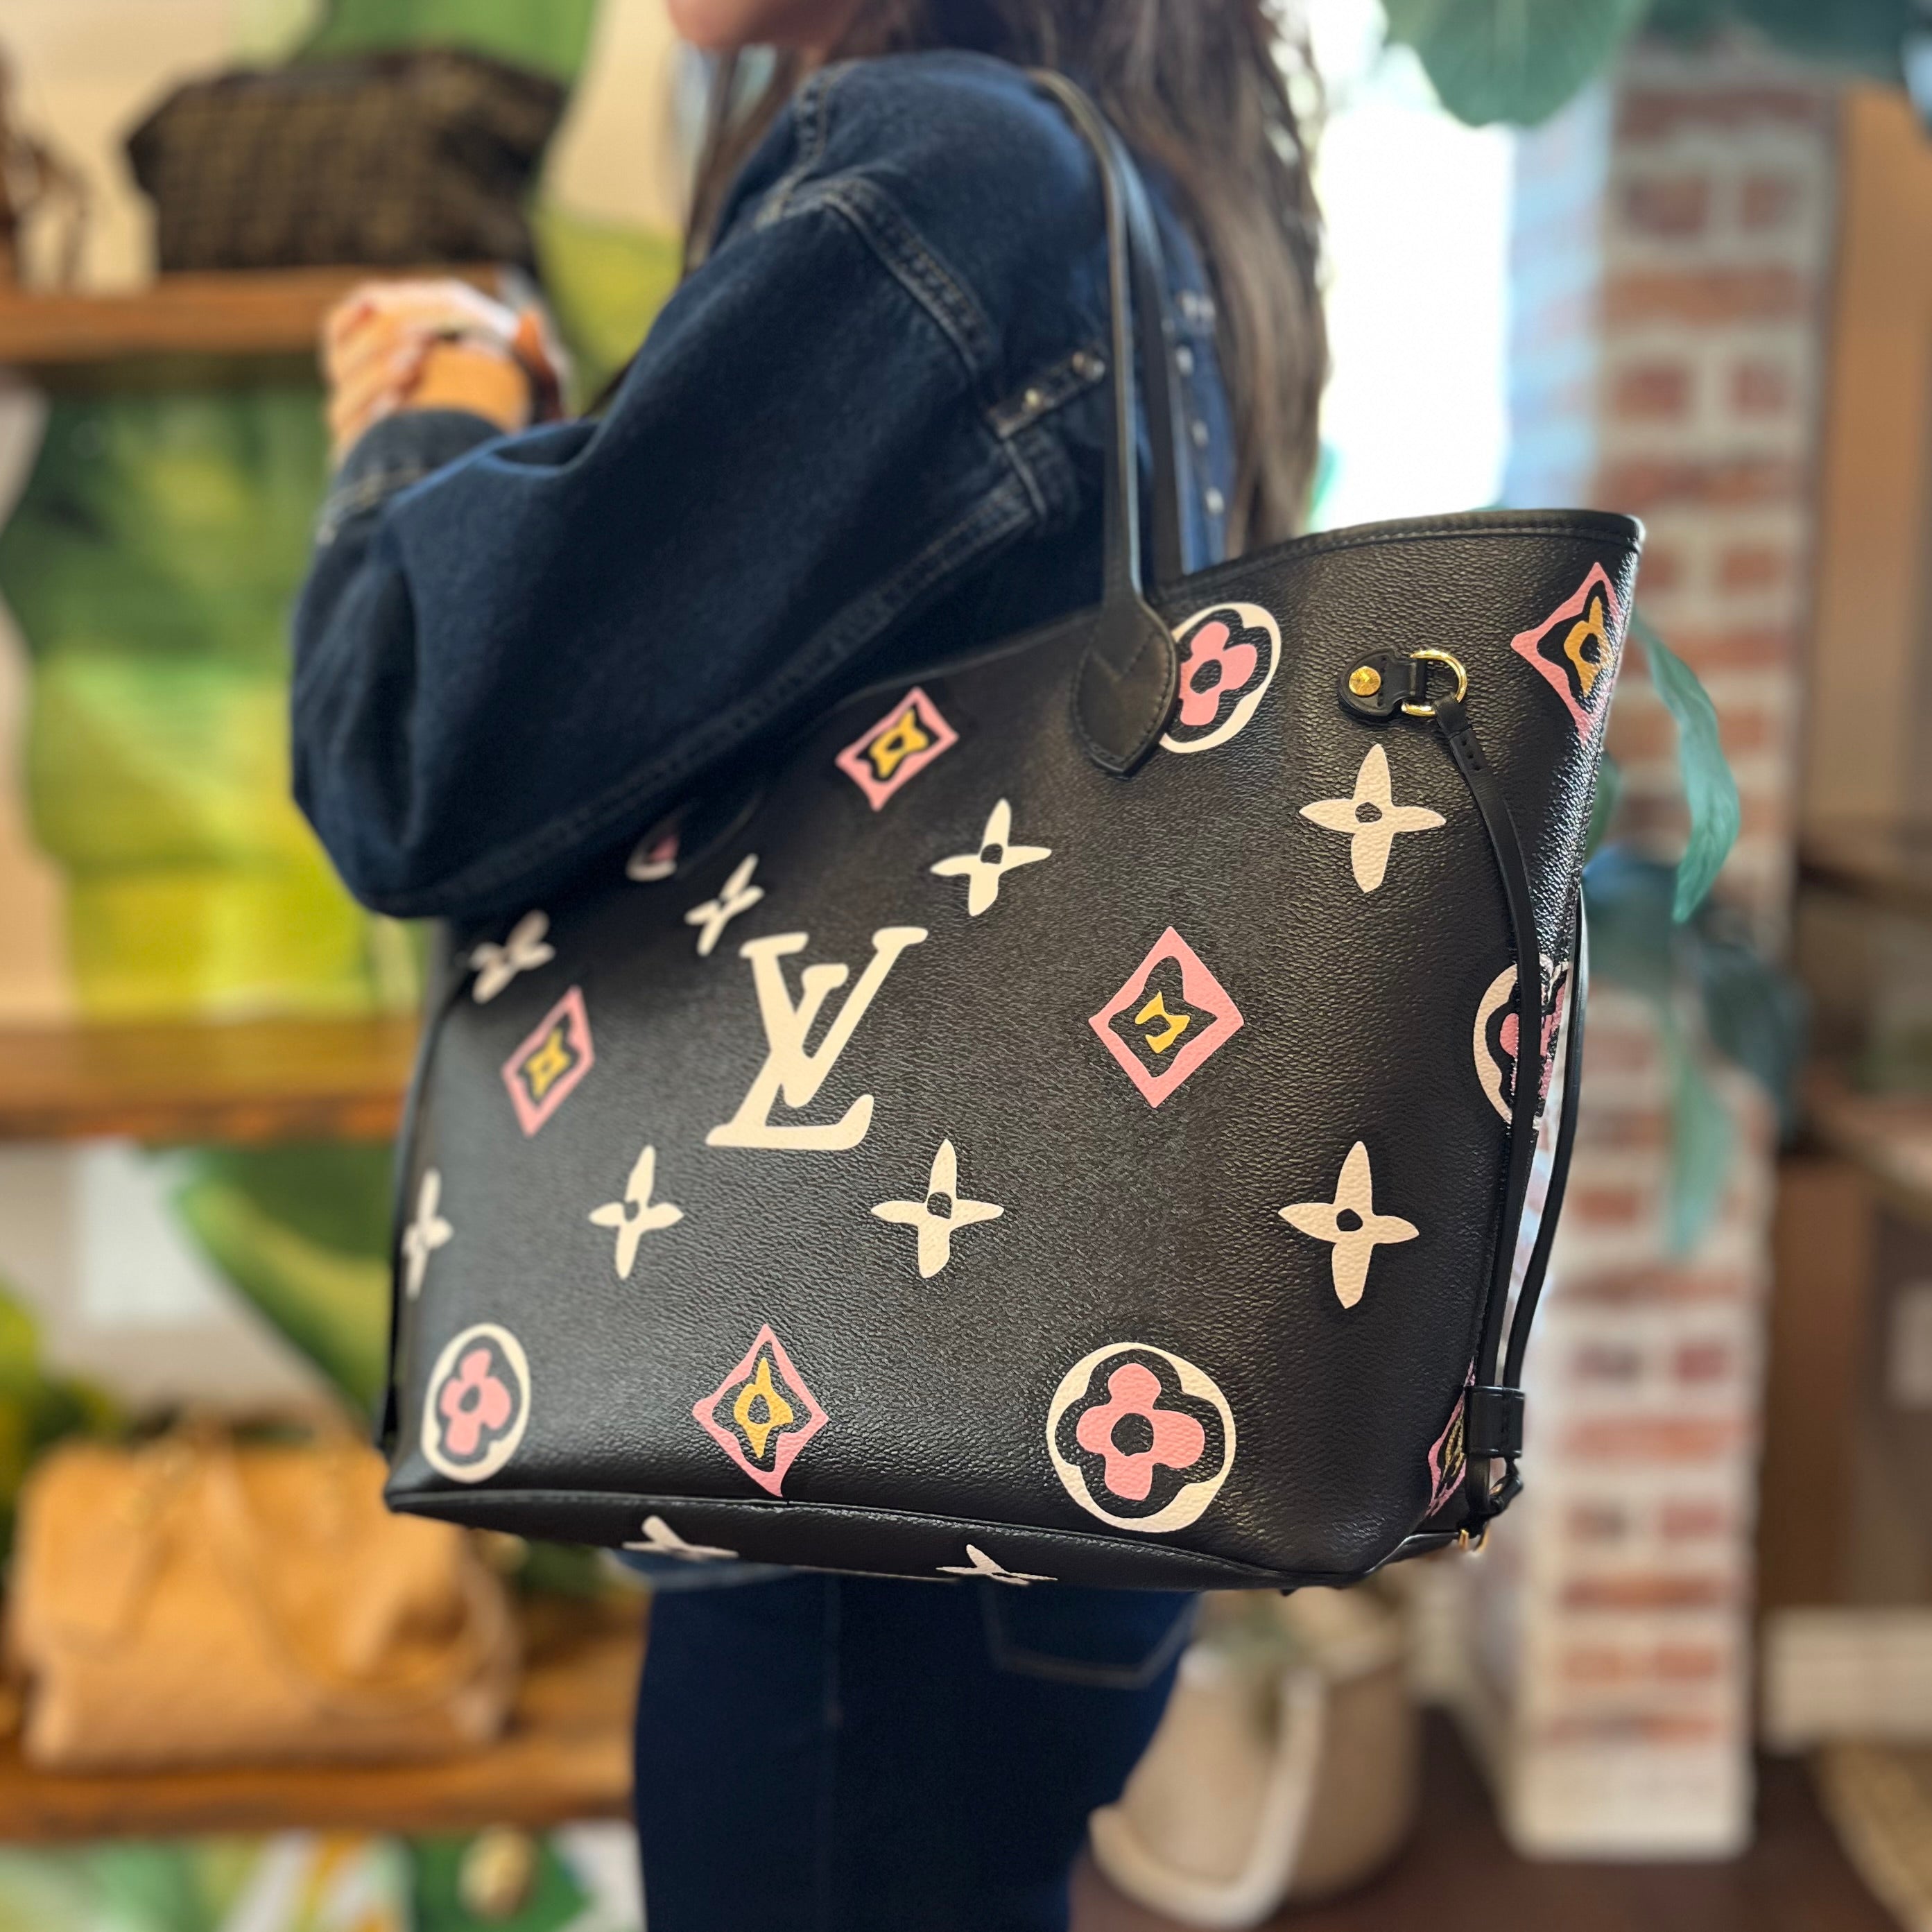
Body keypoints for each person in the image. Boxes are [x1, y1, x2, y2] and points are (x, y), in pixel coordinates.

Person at [298, 3, 1324, 1925]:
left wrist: (427, 410)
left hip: (856, 1508)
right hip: (1030, 1438)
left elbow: (412, 756)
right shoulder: (1126, 182)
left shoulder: (939, 185)